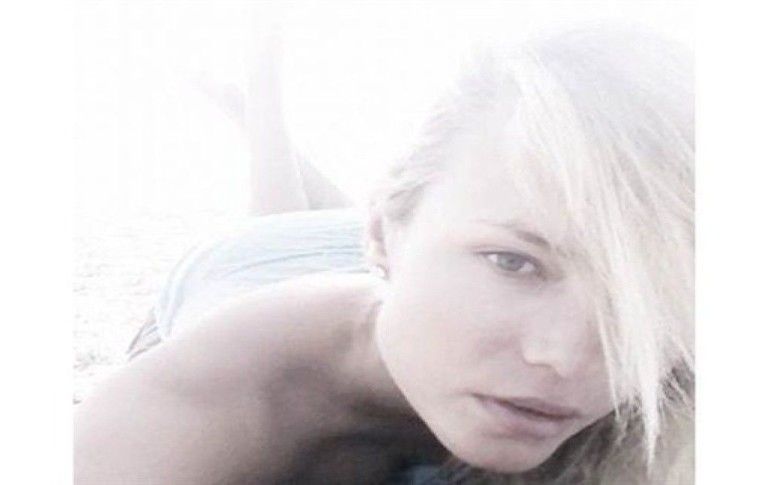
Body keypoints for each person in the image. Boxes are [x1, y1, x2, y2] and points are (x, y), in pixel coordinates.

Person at [74, 22, 694, 484]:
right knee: (274, 230)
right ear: (380, 234)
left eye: (651, 292)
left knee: (301, 220)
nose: (565, 358)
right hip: (244, 266)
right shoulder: (168, 429)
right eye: (513, 262)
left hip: (351, 248)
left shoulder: (669, 349)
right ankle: (261, 98)